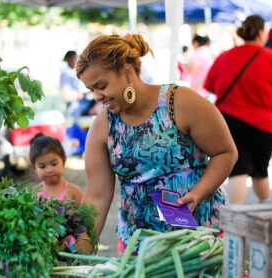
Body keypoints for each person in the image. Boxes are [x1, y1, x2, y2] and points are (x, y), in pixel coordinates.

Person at [75, 33, 237, 253]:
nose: (96, 96)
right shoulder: (102, 125)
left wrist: (199, 192)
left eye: (101, 85)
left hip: (200, 239)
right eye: (90, 89)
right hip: (141, 246)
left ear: (126, 71)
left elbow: (225, 153)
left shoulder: (179, 102)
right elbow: (96, 195)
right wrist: (77, 253)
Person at [204, 15, 272, 204]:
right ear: (260, 32)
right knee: (260, 172)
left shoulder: (225, 56)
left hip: (229, 121)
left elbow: (209, 86)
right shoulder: (269, 57)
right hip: (262, 124)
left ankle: (236, 220)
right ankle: (266, 212)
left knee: (237, 169)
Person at [29, 133, 83, 207]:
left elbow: (83, 216)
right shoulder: (34, 193)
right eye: (42, 166)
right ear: (34, 168)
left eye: (54, 164)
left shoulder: (74, 192)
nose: (49, 170)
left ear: (63, 161)